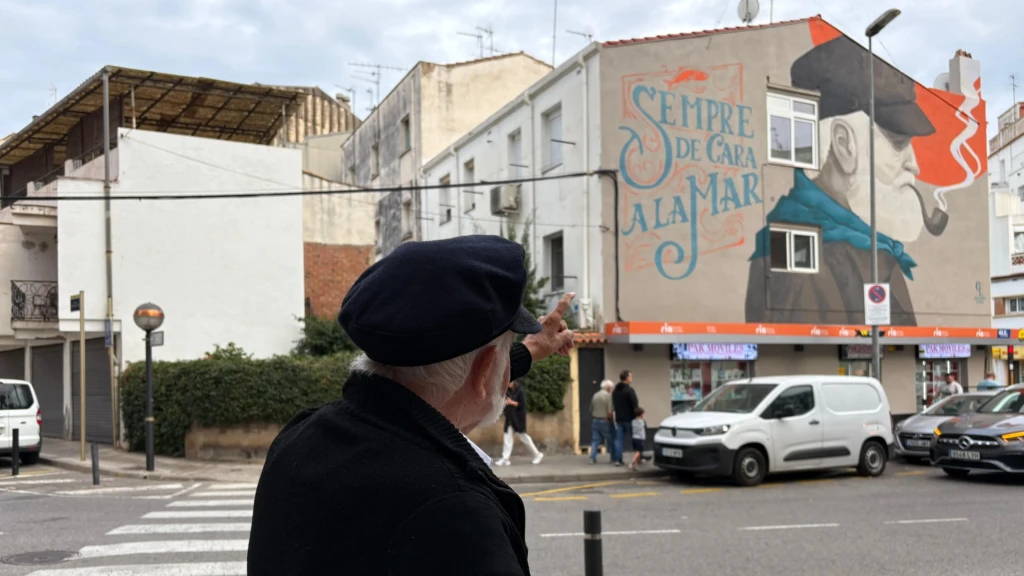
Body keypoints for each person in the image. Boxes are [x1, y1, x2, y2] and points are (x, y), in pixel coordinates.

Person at [247, 235, 575, 576]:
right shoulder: (457, 516)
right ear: (487, 367)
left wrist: (528, 351)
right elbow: (476, 379)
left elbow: (463, 379)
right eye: (505, 352)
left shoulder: (302, 436)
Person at [747, 36, 942, 325]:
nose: (913, 164)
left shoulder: (876, 248)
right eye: (899, 143)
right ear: (843, 143)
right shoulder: (790, 247)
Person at [494, 379, 543, 466]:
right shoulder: (506, 391)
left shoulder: (520, 390)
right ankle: (505, 459)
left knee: (524, 438)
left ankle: (537, 454)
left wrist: (511, 402)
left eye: (508, 382)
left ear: (512, 382)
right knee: (507, 439)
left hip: (518, 418)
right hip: (509, 418)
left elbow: (522, 404)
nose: (507, 384)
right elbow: (503, 403)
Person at [612, 370, 639, 467]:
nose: (631, 378)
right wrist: (637, 416)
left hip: (619, 419)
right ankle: (638, 457)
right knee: (635, 438)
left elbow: (614, 404)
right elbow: (635, 405)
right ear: (627, 378)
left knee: (618, 440)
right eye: (630, 376)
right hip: (630, 419)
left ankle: (618, 460)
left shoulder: (615, 391)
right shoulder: (629, 390)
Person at [588, 380, 615, 464]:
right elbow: (610, 411)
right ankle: (613, 457)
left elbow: (591, 408)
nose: (611, 389)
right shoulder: (609, 396)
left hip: (595, 419)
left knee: (595, 440)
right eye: (611, 388)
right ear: (608, 388)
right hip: (605, 420)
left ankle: (592, 458)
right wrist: (611, 420)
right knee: (610, 439)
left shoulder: (595, 395)